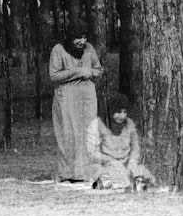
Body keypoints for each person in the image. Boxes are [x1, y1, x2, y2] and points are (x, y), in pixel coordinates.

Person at [49, 24, 102, 182]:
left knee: (88, 132)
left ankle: (87, 173)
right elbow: (54, 75)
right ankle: (68, 174)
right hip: (67, 96)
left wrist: (90, 72)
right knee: (69, 134)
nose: (82, 41)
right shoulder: (58, 50)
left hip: (86, 96)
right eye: (78, 37)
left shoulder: (89, 48)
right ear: (70, 37)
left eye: (85, 37)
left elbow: (98, 70)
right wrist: (78, 72)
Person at [86, 93, 155, 190]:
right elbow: (92, 153)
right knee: (116, 180)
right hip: (105, 165)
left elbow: (135, 147)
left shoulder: (129, 123)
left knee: (146, 177)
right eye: (118, 112)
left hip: (126, 163)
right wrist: (112, 161)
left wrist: (132, 161)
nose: (122, 116)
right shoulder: (97, 124)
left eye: (125, 112)